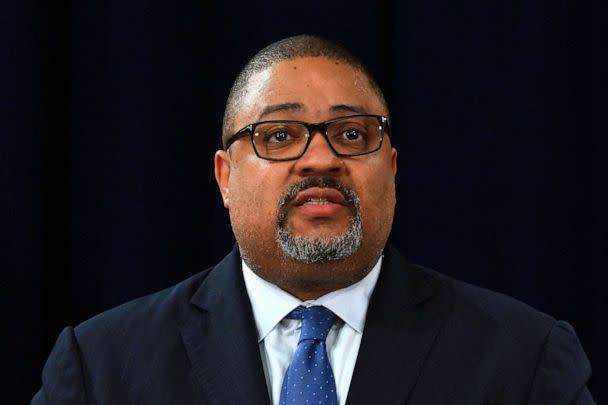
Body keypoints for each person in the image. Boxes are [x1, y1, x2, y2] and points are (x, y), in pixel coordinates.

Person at [32, 35, 595, 404]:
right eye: (279, 136)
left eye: (353, 134)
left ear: (391, 168)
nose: (321, 159)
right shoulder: (101, 368)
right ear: (225, 176)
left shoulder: (526, 360)